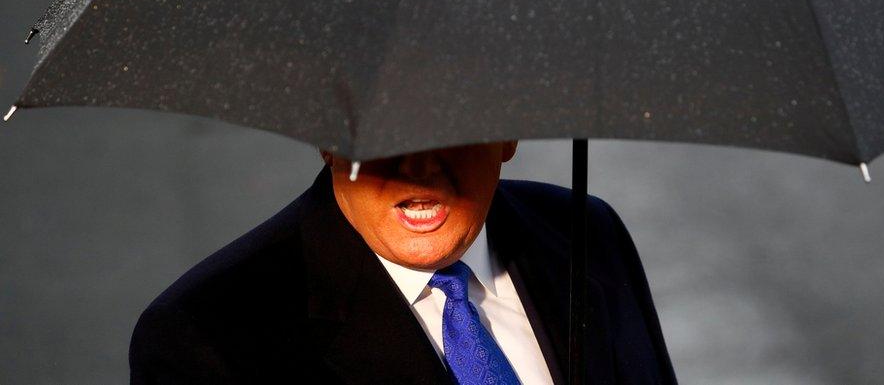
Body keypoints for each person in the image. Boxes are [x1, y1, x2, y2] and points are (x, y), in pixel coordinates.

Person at [129, 141, 678, 384]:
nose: (418, 166)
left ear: (509, 132)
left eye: (452, 122)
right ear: (327, 138)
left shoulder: (585, 233)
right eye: (387, 134)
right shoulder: (205, 338)